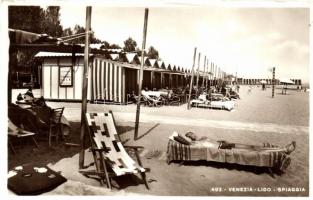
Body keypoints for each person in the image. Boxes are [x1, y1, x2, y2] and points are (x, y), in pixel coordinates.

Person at [185, 132, 296, 154]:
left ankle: (283, 149)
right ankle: (284, 150)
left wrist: (222, 140)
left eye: (193, 133)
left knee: (254, 147)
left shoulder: (203, 137)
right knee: (256, 150)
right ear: (191, 138)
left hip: (226, 144)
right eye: (192, 135)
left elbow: (215, 141)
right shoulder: (196, 144)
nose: (194, 135)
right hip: (225, 149)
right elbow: (211, 148)